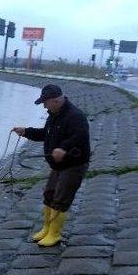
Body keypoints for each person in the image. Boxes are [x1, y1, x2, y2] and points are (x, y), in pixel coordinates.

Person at [12, 84, 90, 246]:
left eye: (45, 103)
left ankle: (55, 234)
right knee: (49, 195)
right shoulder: (54, 114)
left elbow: (80, 138)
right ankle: (46, 229)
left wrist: (63, 148)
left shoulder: (75, 116)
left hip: (73, 165)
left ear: (55, 101)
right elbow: (45, 134)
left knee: (60, 199)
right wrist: (26, 131)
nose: (44, 107)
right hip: (57, 166)